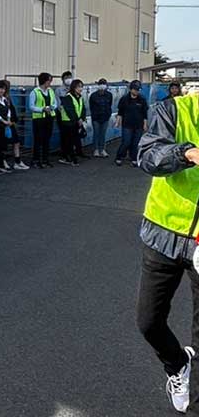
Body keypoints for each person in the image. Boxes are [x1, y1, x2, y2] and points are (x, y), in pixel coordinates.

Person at [136, 92, 199, 414]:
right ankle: (177, 364)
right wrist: (187, 152)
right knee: (148, 321)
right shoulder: (174, 108)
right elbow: (148, 155)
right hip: (163, 235)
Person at [115, 80, 149, 167]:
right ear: (131, 89)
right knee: (126, 141)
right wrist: (117, 122)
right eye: (135, 89)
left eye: (138, 90)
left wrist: (145, 124)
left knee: (136, 142)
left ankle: (134, 158)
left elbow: (145, 113)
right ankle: (119, 156)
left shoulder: (142, 99)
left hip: (139, 125)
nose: (137, 91)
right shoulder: (124, 99)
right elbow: (120, 112)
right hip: (127, 124)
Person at [28, 72, 58, 168]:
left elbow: (55, 103)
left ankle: (45, 159)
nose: (50, 83)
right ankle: (36, 160)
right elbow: (31, 106)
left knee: (47, 139)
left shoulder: (51, 91)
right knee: (38, 139)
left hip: (49, 117)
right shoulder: (35, 92)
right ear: (44, 81)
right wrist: (42, 109)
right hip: (39, 119)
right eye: (49, 80)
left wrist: (52, 107)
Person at [59, 79, 87, 166]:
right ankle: (71, 159)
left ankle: (70, 157)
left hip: (76, 122)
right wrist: (78, 119)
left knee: (73, 140)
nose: (80, 88)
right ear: (74, 87)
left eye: (81, 86)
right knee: (69, 141)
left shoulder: (80, 97)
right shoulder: (68, 97)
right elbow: (70, 110)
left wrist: (82, 118)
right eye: (79, 87)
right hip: (67, 122)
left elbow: (83, 109)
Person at [3, 80, 29, 171]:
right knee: (4, 144)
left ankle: (17, 162)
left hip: (11, 123)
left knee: (16, 142)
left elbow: (12, 110)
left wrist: (14, 120)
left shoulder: (8, 97)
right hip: (4, 124)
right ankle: (3, 161)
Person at [89, 78, 113, 158]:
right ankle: (96, 149)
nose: (102, 85)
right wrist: (94, 115)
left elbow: (110, 105)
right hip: (96, 118)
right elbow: (91, 107)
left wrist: (108, 114)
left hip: (105, 117)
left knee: (103, 134)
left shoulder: (109, 95)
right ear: (98, 85)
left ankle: (102, 149)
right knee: (96, 133)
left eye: (104, 84)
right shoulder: (93, 95)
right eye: (101, 84)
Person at [56, 71, 74, 159]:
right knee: (64, 135)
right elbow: (58, 104)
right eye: (66, 78)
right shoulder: (59, 90)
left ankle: (71, 152)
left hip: (72, 116)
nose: (68, 79)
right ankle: (64, 154)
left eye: (70, 77)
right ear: (62, 79)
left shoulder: (73, 89)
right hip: (62, 116)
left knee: (71, 135)